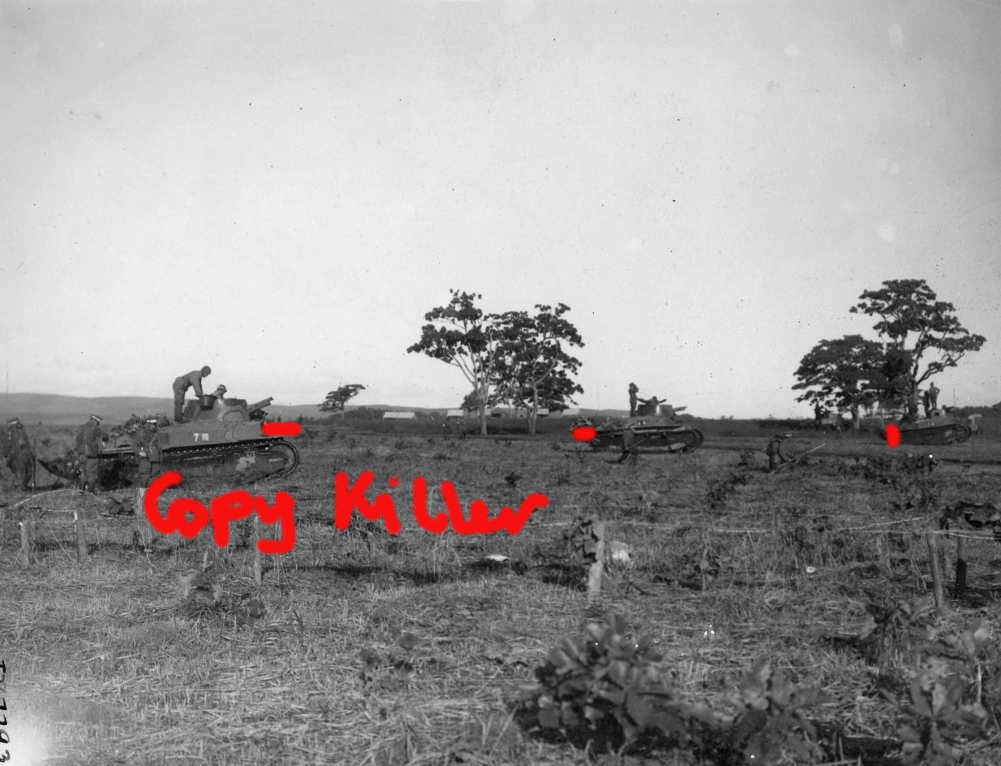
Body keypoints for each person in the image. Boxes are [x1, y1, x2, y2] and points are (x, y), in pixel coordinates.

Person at [75, 414, 105, 492]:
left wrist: (79, 453)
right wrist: (101, 450)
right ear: (95, 421)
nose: (98, 424)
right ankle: (90, 495)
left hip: (81, 455)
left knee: (84, 475)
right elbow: (99, 444)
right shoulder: (96, 429)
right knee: (92, 476)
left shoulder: (81, 427)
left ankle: (81, 493)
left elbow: (77, 442)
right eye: (98, 422)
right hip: (91, 456)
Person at [4, 417, 35, 490]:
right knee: (23, 472)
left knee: (27, 472)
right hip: (19, 455)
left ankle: (21, 486)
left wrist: (31, 452)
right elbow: (18, 444)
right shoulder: (13, 432)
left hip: (23, 454)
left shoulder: (18, 431)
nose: (19, 424)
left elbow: (26, 443)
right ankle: (22, 487)